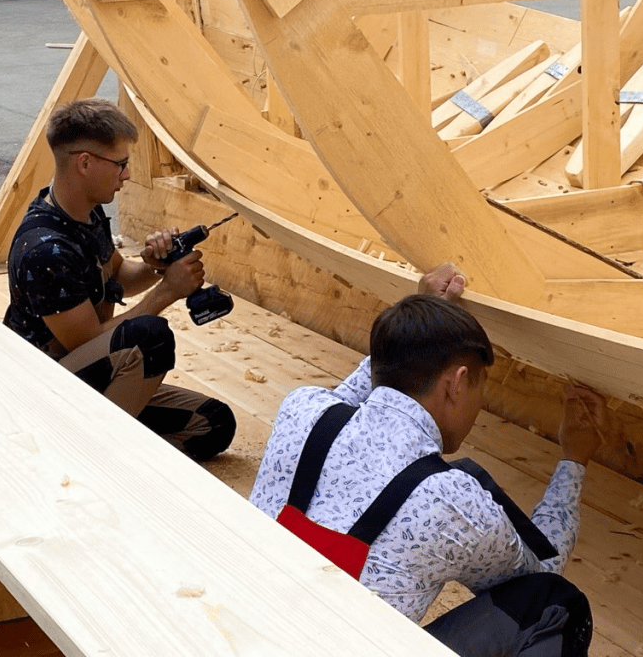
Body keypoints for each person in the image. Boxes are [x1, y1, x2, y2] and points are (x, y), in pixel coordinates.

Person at [250, 266, 603, 656]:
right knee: (555, 601)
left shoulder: (301, 411)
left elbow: (359, 389)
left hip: (245, 623)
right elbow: (540, 572)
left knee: (466, 474)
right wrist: (574, 458)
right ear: (456, 383)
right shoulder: (449, 502)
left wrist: (416, 324)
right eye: (480, 389)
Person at [3, 98, 236, 461]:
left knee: (213, 423)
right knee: (149, 338)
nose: (126, 175)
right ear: (85, 163)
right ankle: (93, 459)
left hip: (87, 377)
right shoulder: (45, 249)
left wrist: (156, 265)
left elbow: (117, 276)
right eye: (121, 164)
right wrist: (167, 291)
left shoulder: (86, 214)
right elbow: (85, 341)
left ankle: (108, 441)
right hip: (44, 389)